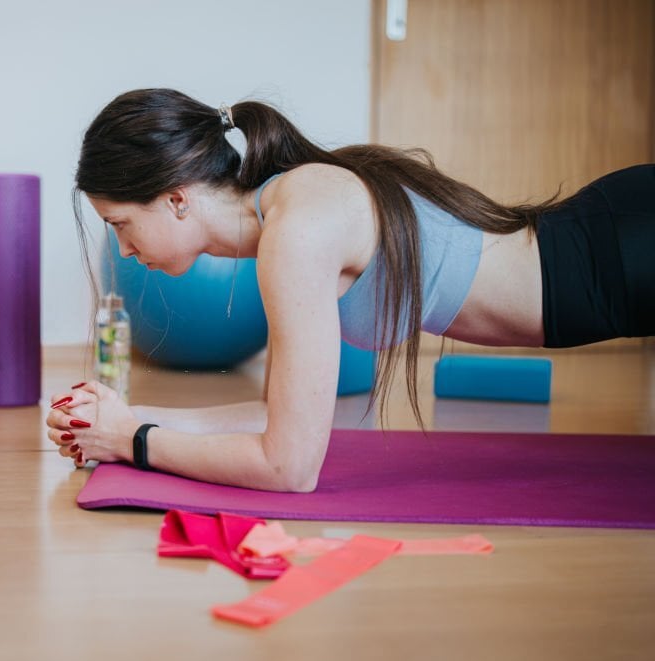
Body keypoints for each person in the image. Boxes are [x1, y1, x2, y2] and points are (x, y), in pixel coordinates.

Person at [46, 88, 654, 492]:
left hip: (621, 254)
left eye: (120, 225)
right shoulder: (288, 209)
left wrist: (132, 442)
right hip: (610, 244)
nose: (123, 251)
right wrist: (128, 416)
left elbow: (289, 466)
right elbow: (281, 416)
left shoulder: (296, 231)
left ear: (177, 199)